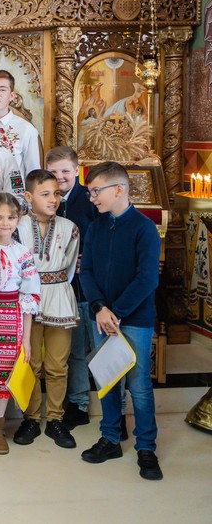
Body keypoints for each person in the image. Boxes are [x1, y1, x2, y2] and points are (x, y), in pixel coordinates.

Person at [79, 161, 162, 481]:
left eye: (96, 191)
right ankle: (111, 437)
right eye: (89, 193)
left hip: (135, 319)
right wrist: (100, 307)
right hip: (102, 317)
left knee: (139, 385)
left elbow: (146, 279)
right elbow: (86, 271)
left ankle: (146, 447)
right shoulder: (95, 227)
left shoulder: (144, 228)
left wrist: (119, 312)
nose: (92, 198)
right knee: (108, 379)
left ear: (119, 190)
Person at [13, 170, 80, 450]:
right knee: (31, 362)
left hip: (60, 298)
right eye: (45, 194)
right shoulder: (17, 226)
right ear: (28, 197)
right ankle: (30, 417)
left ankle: (55, 418)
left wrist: (56, 286)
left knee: (57, 365)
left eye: (56, 194)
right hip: (27, 300)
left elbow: (71, 265)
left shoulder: (70, 227)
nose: (53, 199)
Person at [0, 193, 41, 456]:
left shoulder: (22, 253)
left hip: (11, 318)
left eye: (11, 217)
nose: (5, 223)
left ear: (18, 219)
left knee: (4, 373)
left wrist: (25, 339)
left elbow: (29, 295)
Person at [46, 146, 101, 429]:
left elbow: (104, 236)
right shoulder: (46, 202)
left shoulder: (89, 200)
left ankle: (115, 405)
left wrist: (89, 259)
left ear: (77, 171)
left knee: (104, 350)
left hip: (94, 291)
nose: (60, 177)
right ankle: (79, 404)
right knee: (76, 351)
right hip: (66, 293)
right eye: (54, 172)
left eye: (65, 171)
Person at [0, 69, 43, 178]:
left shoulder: (26, 129)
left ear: (12, 96)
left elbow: (33, 173)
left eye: (2, 89)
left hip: (11, 193)